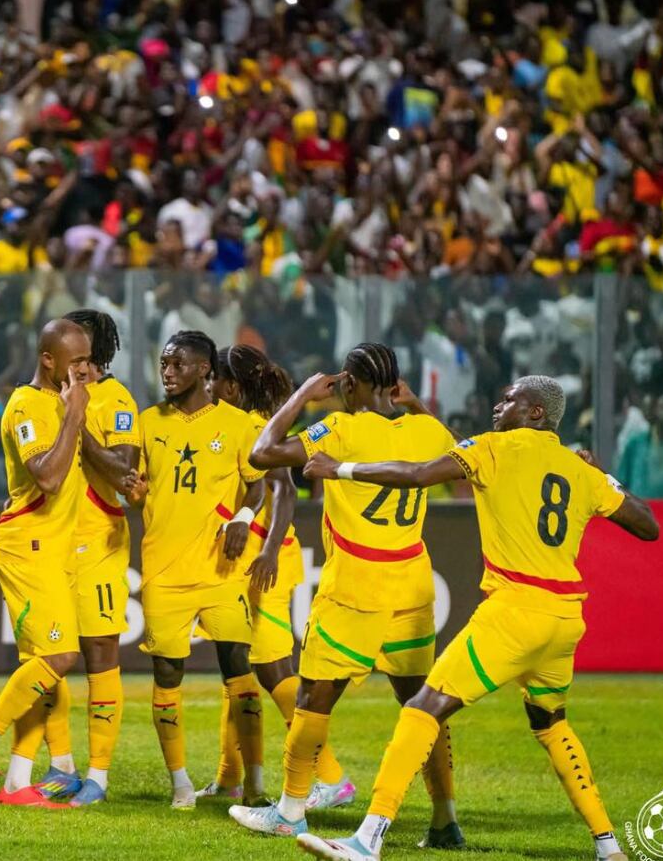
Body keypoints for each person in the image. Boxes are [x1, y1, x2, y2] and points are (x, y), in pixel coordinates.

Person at [294, 376, 659, 861]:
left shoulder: (493, 448)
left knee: (422, 709)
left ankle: (367, 841)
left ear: (535, 413)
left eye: (510, 399)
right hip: (564, 619)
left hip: (515, 612)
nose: (498, 403)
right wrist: (602, 475)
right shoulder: (578, 468)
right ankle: (608, 846)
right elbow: (648, 525)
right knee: (551, 723)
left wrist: (341, 468)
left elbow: (418, 473)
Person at [233, 344, 460, 845]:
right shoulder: (429, 430)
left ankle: (290, 812)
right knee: (423, 705)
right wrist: (418, 406)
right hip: (414, 585)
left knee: (314, 698)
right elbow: (468, 455)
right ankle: (445, 819)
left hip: (356, 584)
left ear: (350, 386)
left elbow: (262, 453)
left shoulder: (340, 430)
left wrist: (300, 397)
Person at [0, 318, 92, 809]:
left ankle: (16, 782)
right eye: (75, 363)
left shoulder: (59, 400)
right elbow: (47, 479)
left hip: (55, 545)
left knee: (42, 667)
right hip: (27, 544)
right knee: (58, 658)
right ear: (48, 359)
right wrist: (75, 415)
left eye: (88, 361)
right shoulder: (27, 405)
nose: (84, 372)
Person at [200, 346, 352, 809]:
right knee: (237, 666)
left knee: (271, 669)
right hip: (248, 558)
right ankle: (231, 776)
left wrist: (266, 550)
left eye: (212, 381)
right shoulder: (229, 426)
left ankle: (331, 777)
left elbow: (284, 490)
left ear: (230, 386)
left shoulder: (255, 426)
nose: (206, 388)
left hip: (267, 559)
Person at [134, 330, 268, 810]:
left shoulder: (236, 425)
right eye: (164, 363)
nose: (167, 371)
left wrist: (243, 518)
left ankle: (254, 781)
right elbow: (136, 479)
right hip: (163, 569)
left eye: (177, 364)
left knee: (239, 669)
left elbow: (258, 487)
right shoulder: (148, 422)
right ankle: (181, 784)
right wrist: (132, 489)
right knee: (167, 673)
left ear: (205, 371)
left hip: (221, 570)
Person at [36, 309, 143, 807]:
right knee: (48, 658)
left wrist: (76, 421)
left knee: (101, 657)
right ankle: (61, 766)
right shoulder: (42, 398)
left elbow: (125, 468)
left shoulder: (116, 399)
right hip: (51, 542)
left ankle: (98, 775)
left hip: (98, 542)